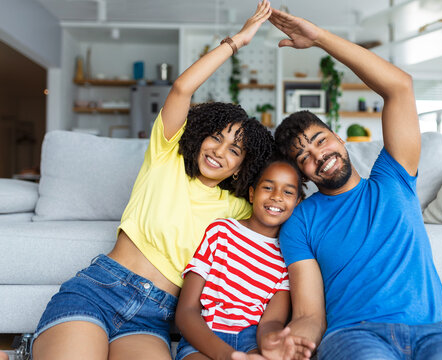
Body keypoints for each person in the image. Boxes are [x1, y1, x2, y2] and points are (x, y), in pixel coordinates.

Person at [31, 2, 275, 360]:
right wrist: (237, 41)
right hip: (100, 288)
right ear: (202, 134)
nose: (219, 151)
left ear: (242, 167)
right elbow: (181, 89)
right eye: (216, 137)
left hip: (154, 317)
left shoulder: (238, 207)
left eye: (234, 150)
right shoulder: (167, 156)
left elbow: (283, 196)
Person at [266, 7, 442, 360]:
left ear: (339, 137)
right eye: (304, 156)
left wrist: (319, 37)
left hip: (433, 334)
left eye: (320, 140)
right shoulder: (300, 222)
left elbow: (399, 86)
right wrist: (296, 340)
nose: (318, 155)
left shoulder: (393, 177)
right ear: (303, 175)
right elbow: (309, 314)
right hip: (354, 336)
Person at [175, 157, 316, 360]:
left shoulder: (288, 257)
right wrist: (228, 355)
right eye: (268, 187)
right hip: (205, 336)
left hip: (250, 343)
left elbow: (270, 322)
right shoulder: (221, 232)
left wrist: (272, 340)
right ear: (252, 193)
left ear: (297, 203)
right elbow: (186, 312)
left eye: (288, 192)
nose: (276, 197)